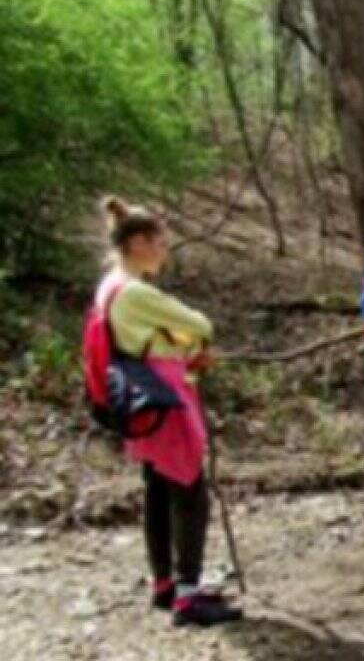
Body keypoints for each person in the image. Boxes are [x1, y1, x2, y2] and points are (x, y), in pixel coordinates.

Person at [92, 197, 242, 627]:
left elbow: (155, 338)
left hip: (139, 397)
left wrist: (183, 349)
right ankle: (188, 596)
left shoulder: (110, 287)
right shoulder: (136, 291)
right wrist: (192, 345)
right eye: (160, 240)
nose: (165, 249)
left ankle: (166, 584)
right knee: (190, 492)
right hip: (164, 398)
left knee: (159, 490)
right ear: (138, 242)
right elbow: (199, 323)